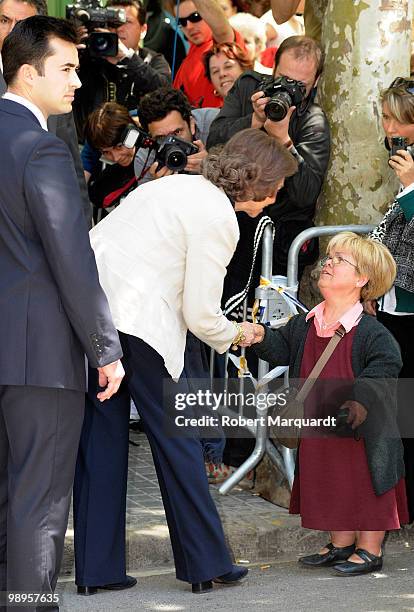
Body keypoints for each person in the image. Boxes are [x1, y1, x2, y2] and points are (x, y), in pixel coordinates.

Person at [73, 128, 298, 594]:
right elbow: (200, 314)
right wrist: (241, 334)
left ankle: (97, 571)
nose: (274, 201)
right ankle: (207, 564)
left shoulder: (169, 184)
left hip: (90, 312)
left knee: (100, 440)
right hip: (141, 326)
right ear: (257, 184)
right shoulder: (221, 218)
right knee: (179, 444)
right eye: (275, 190)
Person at [0, 15, 124, 607]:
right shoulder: (41, 148)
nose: (78, 81)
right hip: (40, 354)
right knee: (41, 501)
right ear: (29, 73)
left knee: (10, 497)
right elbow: (73, 260)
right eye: (68, 68)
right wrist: (105, 348)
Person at [240, 231, 408, 575]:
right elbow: (282, 349)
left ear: (362, 279)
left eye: (340, 260)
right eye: (328, 257)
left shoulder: (372, 331)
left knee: (364, 481)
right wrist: (259, 336)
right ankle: (341, 543)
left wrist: (359, 400)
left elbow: (385, 366)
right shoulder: (306, 322)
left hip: (362, 429)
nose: (328, 263)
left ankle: (370, 549)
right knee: (329, 478)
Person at [207, 35, 330, 277]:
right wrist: (253, 121)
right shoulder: (248, 87)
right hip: (232, 221)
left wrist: (284, 140)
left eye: (300, 86)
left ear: (316, 82)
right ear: (272, 69)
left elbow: (305, 195)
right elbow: (214, 141)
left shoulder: (312, 121)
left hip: (276, 239)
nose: (288, 89)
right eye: (283, 79)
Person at [0, 0, 93, 226]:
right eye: (4, 20)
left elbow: (71, 164)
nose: (13, 32)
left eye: (23, 25)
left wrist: (83, 223)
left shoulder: (57, 90)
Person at [369, 77, 414, 522]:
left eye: (392, 118)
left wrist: (412, 188)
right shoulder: (404, 164)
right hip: (395, 306)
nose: (387, 127)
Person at [73, 0, 171, 139]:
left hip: (136, 147)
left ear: (143, 30)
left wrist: (127, 58)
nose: (119, 29)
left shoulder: (152, 60)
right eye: (113, 23)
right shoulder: (86, 58)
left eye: (127, 22)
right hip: (89, 144)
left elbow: (163, 90)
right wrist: (71, 55)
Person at [173, 0, 245, 108]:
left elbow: (222, 31)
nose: (188, 26)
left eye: (195, 17)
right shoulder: (187, 60)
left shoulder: (222, 45)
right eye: (182, 22)